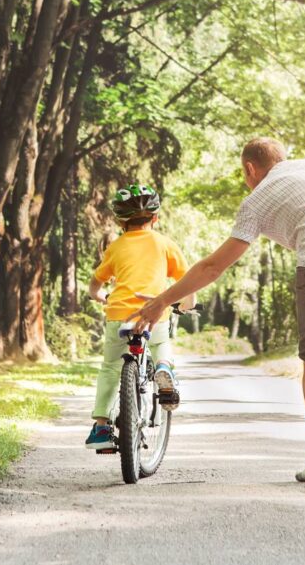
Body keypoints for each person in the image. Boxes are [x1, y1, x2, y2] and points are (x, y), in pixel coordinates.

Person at [130, 138, 305, 488]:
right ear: (284, 158)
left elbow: (213, 267)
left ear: (250, 169)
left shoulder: (256, 199)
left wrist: (162, 300)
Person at [84, 184, 195, 450]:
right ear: (155, 218)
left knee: (111, 367)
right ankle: (164, 368)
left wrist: (100, 297)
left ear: (121, 221)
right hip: (154, 312)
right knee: (159, 344)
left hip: (119, 315)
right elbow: (187, 281)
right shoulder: (165, 244)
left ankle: (101, 428)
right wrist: (186, 305)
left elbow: (95, 284)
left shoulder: (115, 247)